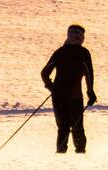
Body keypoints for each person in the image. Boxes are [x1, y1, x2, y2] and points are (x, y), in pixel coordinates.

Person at [40, 23, 96, 154]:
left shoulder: (60, 52)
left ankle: (61, 154)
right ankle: (80, 153)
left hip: (58, 96)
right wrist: (90, 92)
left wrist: (51, 87)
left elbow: (44, 73)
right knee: (77, 127)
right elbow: (89, 74)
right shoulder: (83, 53)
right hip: (75, 96)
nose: (79, 38)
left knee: (63, 127)